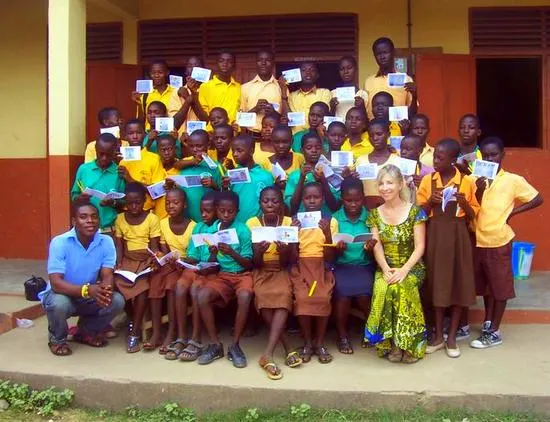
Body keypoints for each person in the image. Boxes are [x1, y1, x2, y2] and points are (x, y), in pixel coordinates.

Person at [470, 137, 542, 349]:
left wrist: (514, 212)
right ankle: (488, 321)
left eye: (494, 155)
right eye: (486, 155)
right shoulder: (476, 178)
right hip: (478, 239)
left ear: (502, 155)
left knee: (500, 288)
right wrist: (480, 189)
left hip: (499, 239)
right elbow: (473, 205)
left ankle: (494, 332)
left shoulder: (512, 180)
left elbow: (537, 198)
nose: (490, 159)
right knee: (486, 287)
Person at [417, 138, 479, 358]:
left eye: (440, 158)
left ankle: (452, 336)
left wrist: (464, 204)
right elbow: (419, 214)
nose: (435, 161)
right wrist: (430, 203)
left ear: (453, 160)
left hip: (458, 236)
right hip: (435, 236)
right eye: (435, 156)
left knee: (458, 284)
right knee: (437, 284)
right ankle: (438, 336)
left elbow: (474, 215)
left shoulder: (466, 182)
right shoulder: (427, 181)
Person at [40, 199, 125, 356]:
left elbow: (107, 274)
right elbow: (56, 283)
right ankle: (57, 339)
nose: (90, 221)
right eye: (83, 217)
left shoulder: (106, 242)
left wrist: (105, 291)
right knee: (59, 304)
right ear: (74, 221)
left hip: (89, 295)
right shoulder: (60, 243)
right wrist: (87, 290)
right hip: (63, 294)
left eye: (94, 217)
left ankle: (85, 332)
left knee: (117, 301)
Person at [364, 165, 427, 363]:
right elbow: (377, 247)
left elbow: (420, 247)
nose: (385, 187)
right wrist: (385, 269)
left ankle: (408, 344)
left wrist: (404, 270)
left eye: (390, 182)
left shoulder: (415, 212)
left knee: (401, 287)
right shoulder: (374, 214)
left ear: (400, 185)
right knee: (385, 287)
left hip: (412, 267)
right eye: (381, 183)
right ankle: (390, 343)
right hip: (386, 266)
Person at [247, 186, 302, 379]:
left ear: (281, 204)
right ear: (260, 203)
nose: (270, 204)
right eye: (266, 201)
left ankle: (268, 353)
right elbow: (254, 263)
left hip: (281, 269)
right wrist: (259, 252)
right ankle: (286, 345)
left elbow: (291, 261)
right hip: (261, 270)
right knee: (263, 297)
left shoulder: (288, 223)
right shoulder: (253, 223)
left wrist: (285, 251)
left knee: (284, 296)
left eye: (275, 201)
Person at [195, 191, 254, 368]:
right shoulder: (212, 230)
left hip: (242, 274)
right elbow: (211, 265)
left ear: (237, 211)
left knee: (245, 296)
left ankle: (235, 345)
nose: (226, 215)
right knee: (203, 296)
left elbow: (248, 263)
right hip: (222, 275)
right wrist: (212, 255)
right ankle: (215, 344)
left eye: (231, 211)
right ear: (216, 210)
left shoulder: (243, 229)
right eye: (222, 211)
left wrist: (231, 252)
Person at [290, 182, 337, 364]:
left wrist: (326, 232)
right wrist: (294, 233)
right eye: (307, 197)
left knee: (322, 297)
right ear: (302, 200)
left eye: (316, 197)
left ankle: (319, 342)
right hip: (301, 266)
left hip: (322, 266)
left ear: (322, 199)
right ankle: (307, 342)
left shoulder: (330, 221)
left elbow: (331, 255)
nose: (311, 201)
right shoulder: (295, 221)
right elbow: (292, 257)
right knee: (302, 298)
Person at [114, 182, 162, 353]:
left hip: (145, 260)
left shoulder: (152, 219)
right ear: (125, 202)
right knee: (117, 283)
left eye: (138, 202)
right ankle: (132, 317)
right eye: (130, 203)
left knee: (141, 289)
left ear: (145, 201)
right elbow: (119, 245)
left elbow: (155, 247)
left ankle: (134, 333)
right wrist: (119, 263)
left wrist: (154, 259)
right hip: (127, 259)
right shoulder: (120, 219)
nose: (134, 207)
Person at [149, 188, 196, 357]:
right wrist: (162, 256)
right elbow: (164, 249)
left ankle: (172, 331)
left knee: (172, 285)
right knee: (155, 281)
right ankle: (156, 331)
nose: (171, 206)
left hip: (186, 266)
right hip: (171, 264)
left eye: (175, 202)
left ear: (184, 205)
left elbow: (194, 256)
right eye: (168, 202)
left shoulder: (194, 227)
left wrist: (180, 262)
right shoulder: (162, 223)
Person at [332, 178, 377, 354]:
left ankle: (370, 328)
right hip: (342, 266)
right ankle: (342, 334)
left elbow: (375, 249)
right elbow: (329, 252)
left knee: (364, 295)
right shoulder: (336, 219)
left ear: (363, 199)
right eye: (348, 200)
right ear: (342, 199)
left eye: (357, 200)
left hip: (364, 265)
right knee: (342, 295)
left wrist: (370, 248)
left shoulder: (370, 217)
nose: (353, 204)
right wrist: (337, 249)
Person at [175, 192, 218, 362]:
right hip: (196, 267)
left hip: (212, 270)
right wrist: (183, 261)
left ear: (217, 210)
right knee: (179, 287)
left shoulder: (220, 228)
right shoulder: (198, 227)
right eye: (202, 211)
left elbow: (222, 260)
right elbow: (193, 254)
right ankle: (181, 336)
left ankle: (196, 337)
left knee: (195, 289)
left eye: (208, 211)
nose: (204, 215)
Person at [71, 133, 125, 234]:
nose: (104, 158)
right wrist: (80, 198)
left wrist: (113, 203)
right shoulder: (84, 169)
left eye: (108, 155)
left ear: (115, 151)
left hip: (110, 229)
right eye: (101, 154)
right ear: (95, 149)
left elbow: (123, 203)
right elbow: (74, 195)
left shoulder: (119, 172)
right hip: (86, 229)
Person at [285, 132, 341, 216]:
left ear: (322, 150)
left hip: (325, 221)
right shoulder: (295, 175)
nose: (314, 150)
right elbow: (291, 208)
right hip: (301, 221)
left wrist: (323, 181)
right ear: (302, 150)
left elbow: (334, 206)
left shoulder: (330, 172)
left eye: (318, 148)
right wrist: (301, 179)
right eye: (309, 148)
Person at [364, 37, 417, 120]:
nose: (382, 57)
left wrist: (415, 95)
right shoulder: (368, 82)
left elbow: (412, 112)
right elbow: (366, 113)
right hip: (375, 130)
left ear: (393, 53)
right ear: (374, 56)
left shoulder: (406, 80)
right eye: (378, 54)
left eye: (385, 52)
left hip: (398, 129)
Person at [175, 129, 222, 222]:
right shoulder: (185, 164)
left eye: (199, 146)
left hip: (209, 221)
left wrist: (214, 185)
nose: (195, 149)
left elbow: (224, 192)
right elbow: (176, 165)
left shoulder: (217, 167)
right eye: (191, 146)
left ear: (208, 145)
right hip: (187, 220)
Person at [118, 119, 165, 212]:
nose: (135, 136)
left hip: (148, 211)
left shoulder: (154, 158)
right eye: (131, 133)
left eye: (138, 133)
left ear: (144, 134)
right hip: (126, 211)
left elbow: (158, 191)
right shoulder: (122, 160)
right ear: (125, 136)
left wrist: (131, 180)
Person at [225, 134, 274, 222]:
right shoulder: (230, 175)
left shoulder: (266, 176)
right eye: (233, 151)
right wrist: (225, 187)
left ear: (251, 151)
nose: (235, 154)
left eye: (239, 150)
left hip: (258, 226)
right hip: (236, 225)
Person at [356, 119, 401, 209]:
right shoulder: (361, 160)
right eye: (371, 135)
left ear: (388, 135)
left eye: (379, 134)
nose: (375, 138)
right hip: (366, 211)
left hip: (391, 211)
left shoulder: (397, 161)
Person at [240, 50, 284, 137]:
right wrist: (255, 109)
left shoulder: (281, 87)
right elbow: (241, 120)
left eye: (267, 60)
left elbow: (287, 118)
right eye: (260, 60)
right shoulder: (245, 88)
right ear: (256, 63)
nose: (263, 63)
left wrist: (274, 113)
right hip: (252, 136)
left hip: (275, 138)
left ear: (273, 63)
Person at [198, 51, 241, 130]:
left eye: (229, 61)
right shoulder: (205, 86)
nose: (225, 64)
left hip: (233, 134)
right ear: (216, 64)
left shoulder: (239, 88)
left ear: (234, 66)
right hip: (212, 134)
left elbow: (241, 112)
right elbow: (204, 115)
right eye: (221, 61)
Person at [131, 59, 177, 130]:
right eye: (153, 73)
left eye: (160, 72)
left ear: (167, 72)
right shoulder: (145, 95)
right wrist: (138, 104)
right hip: (150, 135)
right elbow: (141, 120)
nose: (156, 75)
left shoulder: (176, 92)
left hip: (170, 134)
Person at [287, 62, 331, 133]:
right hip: (295, 138)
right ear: (298, 75)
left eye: (312, 70)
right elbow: (289, 118)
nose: (308, 73)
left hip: (317, 138)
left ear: (317, 75)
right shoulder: (292, 95)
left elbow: (324, 115)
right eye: (304, 70)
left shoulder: (324, 92)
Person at [170, 56, 206, 134]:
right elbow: (174, 123)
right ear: (186, 72)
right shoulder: (177, 92)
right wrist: (188, 100)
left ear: (203, 70)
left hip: (203, 141)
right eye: (190, 66)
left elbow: (207, 120)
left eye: (197, 66)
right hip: (181, 140)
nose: (193, 69)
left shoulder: (209, 90)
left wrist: (188, 96)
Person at [153, 134, 182, 219]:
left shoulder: (181, 167)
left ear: (175, 149)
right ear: (158, 151)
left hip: (177, 217)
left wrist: (174, 187)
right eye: (163, 150)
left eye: (169, 149)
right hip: (158, 216)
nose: (166, 153)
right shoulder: (154, 166)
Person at [399, 135, 434, 202]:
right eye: (401, 148)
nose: (403, 152)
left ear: (420, 151)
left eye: (408, 149)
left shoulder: (430, 172)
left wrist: (423, 184)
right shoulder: (395, 171)